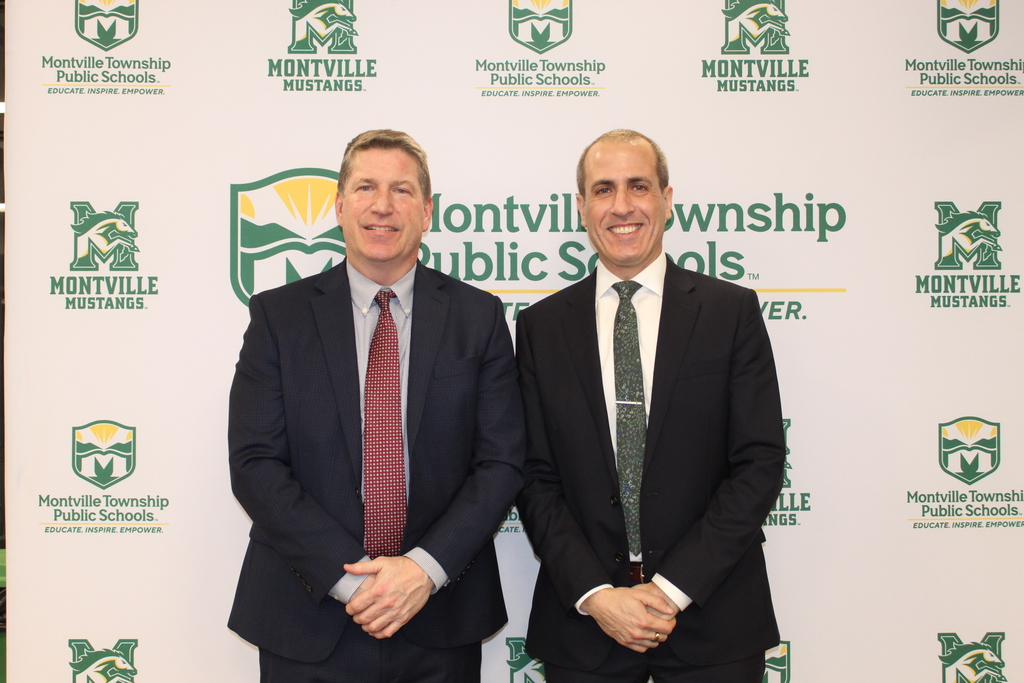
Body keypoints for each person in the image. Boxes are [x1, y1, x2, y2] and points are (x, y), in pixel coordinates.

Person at [228, 129, 524, 683]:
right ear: (339, 206)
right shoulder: (278, 317)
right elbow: (255, 464)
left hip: (439, 615)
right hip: (307, 614)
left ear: (428, 210)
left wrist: (420, 570)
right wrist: (355, 582)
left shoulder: (477, 317)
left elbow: (501, 462)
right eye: (365, 187)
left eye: (402, 190)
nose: (383, 205)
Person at [515, 129, 785, 682]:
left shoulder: (729, 312)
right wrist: (596, 595)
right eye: (603, 189)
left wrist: (671, 588)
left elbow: (758, 462)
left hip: (713, 618)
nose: (621, 206)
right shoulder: (541, 327)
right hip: (586, 626)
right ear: (581, 206)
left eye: (638, 186)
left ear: (666, 198)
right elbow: (534, 476)